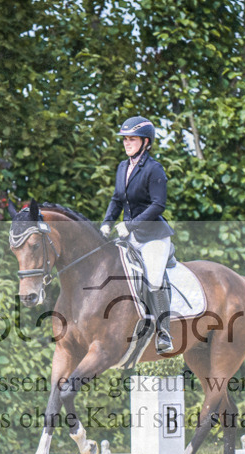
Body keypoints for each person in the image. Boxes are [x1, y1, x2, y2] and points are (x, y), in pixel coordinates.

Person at [100, 116, 175, 353]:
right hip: (129, 236)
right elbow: (116, 199)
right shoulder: (123, 167)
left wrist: (130, 225)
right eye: (125, 139)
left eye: (132, 139)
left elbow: (158, 205)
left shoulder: (154, 169)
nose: (127, 143)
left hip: (153, 236)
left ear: (145, 142)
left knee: (153, 279)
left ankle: (165, 333)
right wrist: (107, 222)